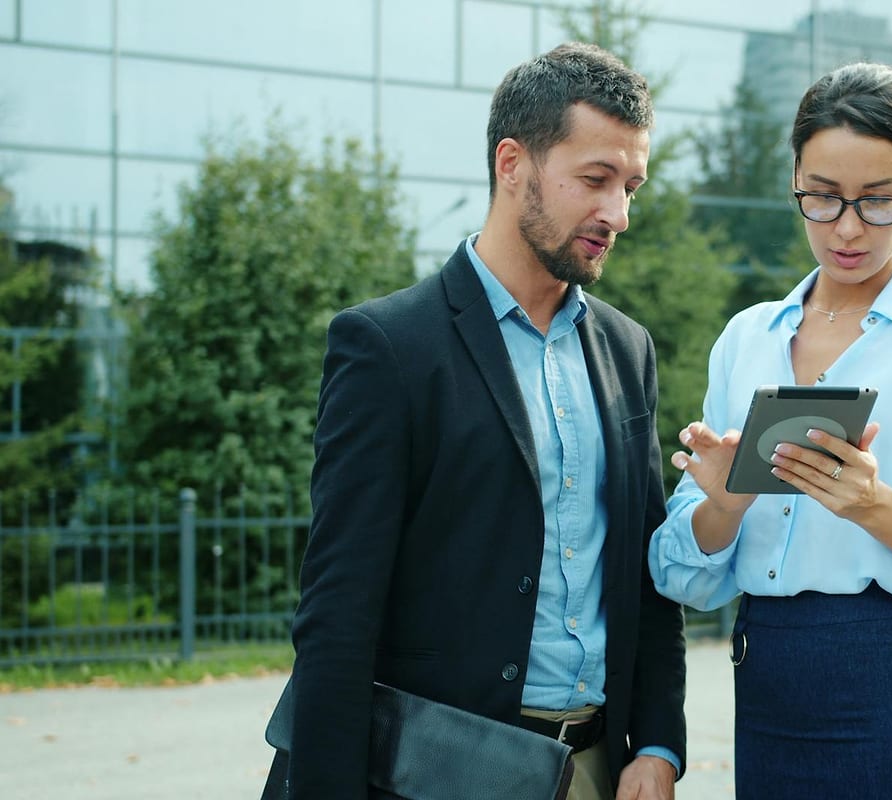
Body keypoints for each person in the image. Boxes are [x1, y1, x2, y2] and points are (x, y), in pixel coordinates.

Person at [263, 42, 686, 800]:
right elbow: (337, 614)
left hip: (597, 770)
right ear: (512, 163)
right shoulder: (388, 346)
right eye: (595, 180)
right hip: (436, 773)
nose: (618, 214)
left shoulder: (628, 350)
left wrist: (657, 743)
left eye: (631, 186)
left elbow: (643, 576)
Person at [648, 62, 892, 799]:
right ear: (794, 174)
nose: (847, 228)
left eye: (878, 201)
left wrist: (873, 506)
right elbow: (679, 575)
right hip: (767, 705)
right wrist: (722, 506)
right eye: (821, 198)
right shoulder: (746, 339)